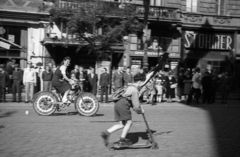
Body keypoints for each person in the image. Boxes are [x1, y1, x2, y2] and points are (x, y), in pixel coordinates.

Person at [101, 80, 143, 147]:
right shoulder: (135, 90)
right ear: (138, 82)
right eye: (141, 84)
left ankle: (106, 133)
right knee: (129, 122)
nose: (142, 86)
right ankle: (122, 139)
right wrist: (140, 111)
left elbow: (131, 101)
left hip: (117, 104)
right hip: (124, 104)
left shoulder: (128, 87)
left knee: (122, 124)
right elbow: (136, 106)